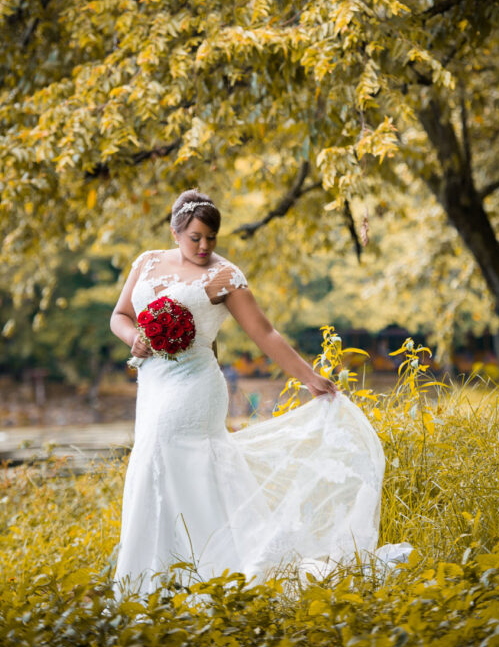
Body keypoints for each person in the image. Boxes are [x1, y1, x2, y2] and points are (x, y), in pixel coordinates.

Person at [110, 189, 385, 597]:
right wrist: (135, 338)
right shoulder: (147, 263)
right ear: (175, 232)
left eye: (211, 238)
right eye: (195, 238)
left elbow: (265, 333)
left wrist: (310, 377)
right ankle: (158, 578)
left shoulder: (225, 276)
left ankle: (206, 575)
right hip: (152, 384)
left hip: (194, 386)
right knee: (153, 459)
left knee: (165, 451)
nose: (204, 247)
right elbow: (119, 316)